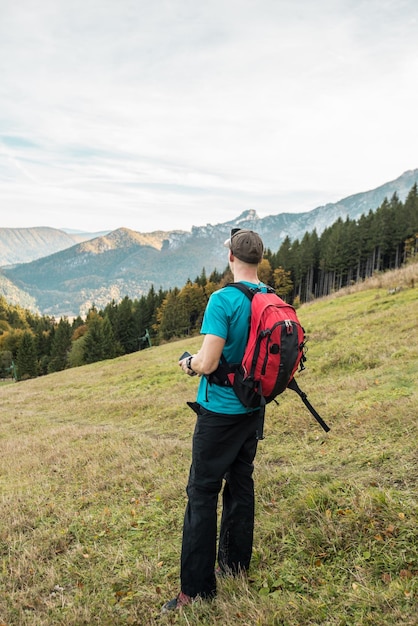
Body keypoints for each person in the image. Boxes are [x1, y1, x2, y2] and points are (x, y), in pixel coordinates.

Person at [162, 228, 267, 612]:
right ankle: (235, 565)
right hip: (254, 408)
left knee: (202, 494)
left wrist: (189, 364)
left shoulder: (222, 300)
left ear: (231, 259)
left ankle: (196, 590)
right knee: (241, 483)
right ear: (258, 259)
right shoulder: (270, 298)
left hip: (220, 411)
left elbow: (208, 362)